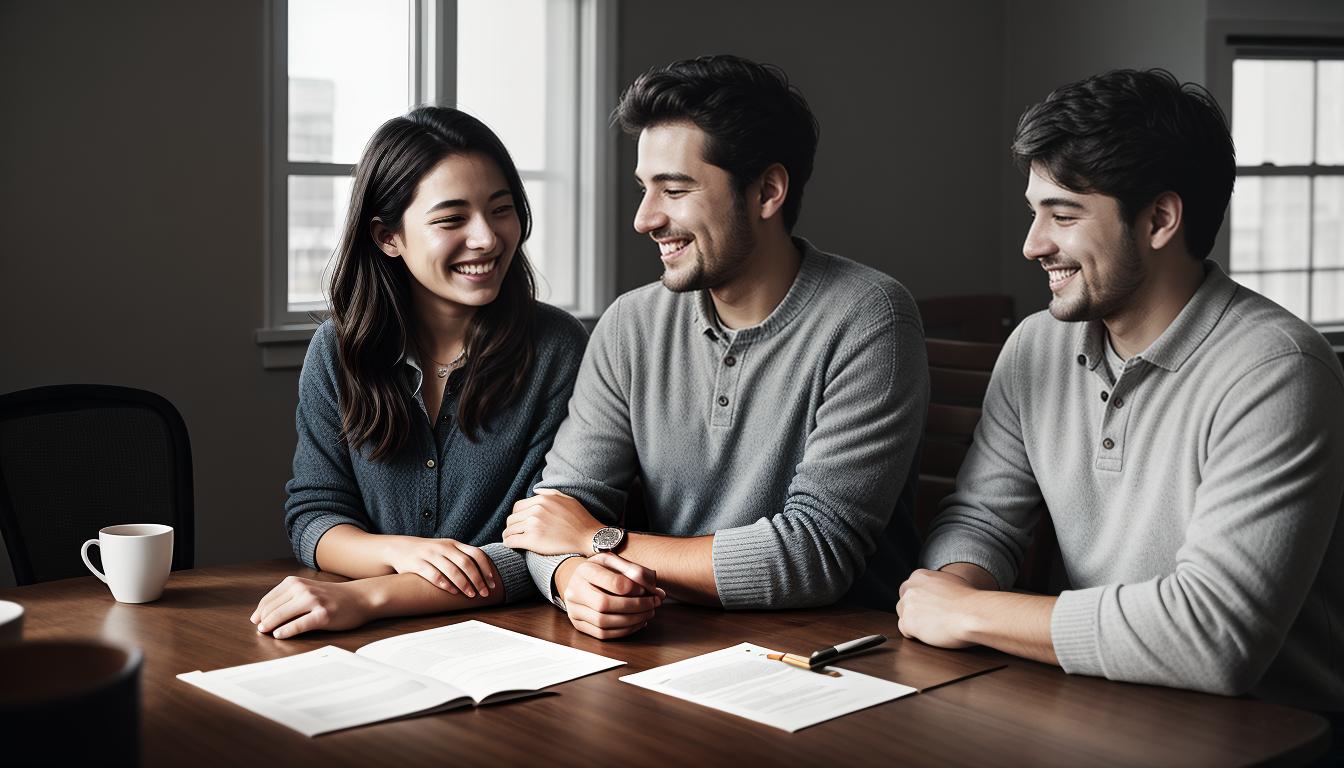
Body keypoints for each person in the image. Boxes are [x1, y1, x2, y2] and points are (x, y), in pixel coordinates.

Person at [897, 69, 1344, 714]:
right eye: (1034, 212)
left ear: (1160, 219)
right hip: (1087, 703)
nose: (1032, 244)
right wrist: (953, 583)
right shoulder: (1035, 346)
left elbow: (1213, 638)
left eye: (1065, 215)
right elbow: (983, 518)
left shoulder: (1279, 370)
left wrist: (970, 612)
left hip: (1266, 732)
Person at [501, 55, 928, 639]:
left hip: (837, 655)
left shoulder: (869, 315)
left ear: (768, 191)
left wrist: (598, 541)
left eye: (674, 190)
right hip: (672, 643)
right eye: (644, 189)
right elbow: (552, 515)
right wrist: (574, 577)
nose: (644, 219)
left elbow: (815, 556)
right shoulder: (631, 323)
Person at [250, 107, 587, 639]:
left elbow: (547, 546)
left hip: (516, 634)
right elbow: (315, 514)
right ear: (388, 237)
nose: (487, 238)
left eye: (501, 210)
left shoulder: (558, 350)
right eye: (451, 219)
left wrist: (371, 594)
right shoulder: (338, 350)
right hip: (370, 638)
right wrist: (400, 552)